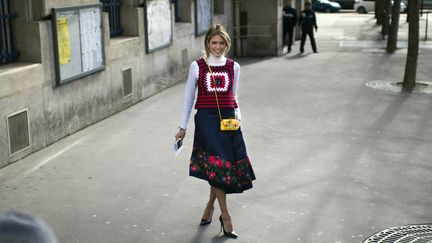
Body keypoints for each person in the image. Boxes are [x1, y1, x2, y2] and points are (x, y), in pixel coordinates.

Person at [175, 24, 255, 239]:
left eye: (221, 43)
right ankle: (226, 217)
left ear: (227, 45)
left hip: (229, 121)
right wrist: (182, 128)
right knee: (218, 167)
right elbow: (188, 99)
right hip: (207, 121)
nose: (217, 46)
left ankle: (210, 206)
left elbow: (234, 97)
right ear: (207, 44)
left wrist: (239, 117)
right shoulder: (197, 66)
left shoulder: (234, 66)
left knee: (221, 167)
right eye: (214, 42)